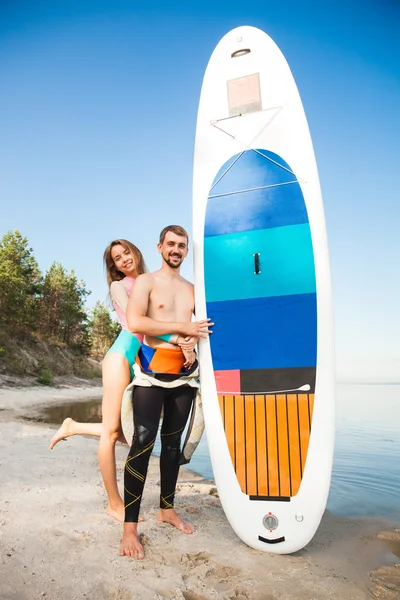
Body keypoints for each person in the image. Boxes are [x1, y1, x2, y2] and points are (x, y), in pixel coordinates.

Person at [48, 239, 199, 523]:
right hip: (120, 357)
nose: (124, 259)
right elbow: (135, 324)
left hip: (140, 362)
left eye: (126, 252)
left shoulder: (151, 281)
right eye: (117, 258)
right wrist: (180, 337)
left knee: (128, 434)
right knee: (111, 433)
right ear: (114, 266)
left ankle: (74, 425)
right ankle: (114, 503)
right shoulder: (120, 287)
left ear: (136, 252)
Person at [120, 225, 213, 560]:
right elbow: (137, 323)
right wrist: (181, 331)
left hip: (185, 377)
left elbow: (202, 330)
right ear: (160, 247)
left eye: (182, 246)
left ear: (187, 252)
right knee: (143, 442)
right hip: (150, 375)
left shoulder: (193, 290)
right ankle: (130, 527)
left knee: (172, 446)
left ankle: (166, 509)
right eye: (171, 244)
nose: (176, 250)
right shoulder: (147, 282)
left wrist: (191, 345)